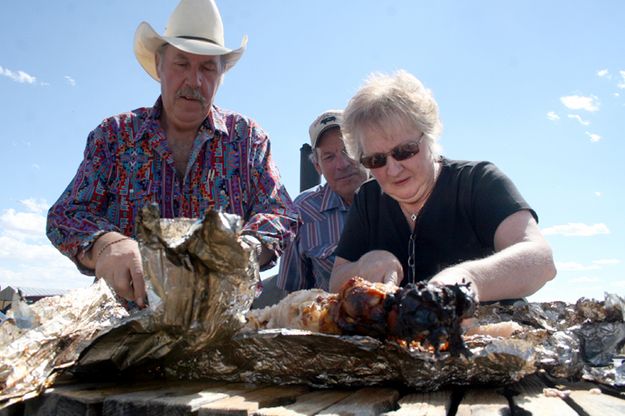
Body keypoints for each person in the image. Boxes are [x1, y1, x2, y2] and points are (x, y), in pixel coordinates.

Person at [46, 0, 297, 308]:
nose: (194, 81)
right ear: (160, 65)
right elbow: (65, 215)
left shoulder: (247, 139)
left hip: (222, 331)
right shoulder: (113, 137)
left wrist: (247, 248)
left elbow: (281, 213)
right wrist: (105, 244)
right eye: (182, 64)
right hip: (124, 332)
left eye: (207, 67)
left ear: (221, 75)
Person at [330, 70, 556, 302]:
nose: (393, 169)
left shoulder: (478, 182)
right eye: (376, 160)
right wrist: (363, 266)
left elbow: (540, 259)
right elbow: (336, 279)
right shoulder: (368, 199)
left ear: (430, 136)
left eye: (405, 151)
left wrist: (466, 280)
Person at [277, 110, 368, 292]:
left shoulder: (397, 194)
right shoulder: (302, 211)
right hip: (330, 319)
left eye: (348, 150)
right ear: (317, 166)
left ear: (365, 150)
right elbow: (294, 294)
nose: (341, 164)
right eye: (329, 157)